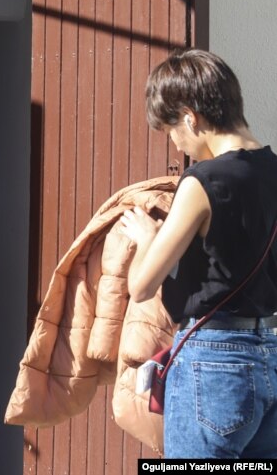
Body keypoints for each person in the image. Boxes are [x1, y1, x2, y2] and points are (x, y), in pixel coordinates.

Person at [120, 49, 277, 458]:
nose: (176, 144)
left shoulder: (202, 182)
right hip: (269, 354)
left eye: (172, 130)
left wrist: (148, 237)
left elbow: (141, 285)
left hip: (214, 361)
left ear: (191, 117)